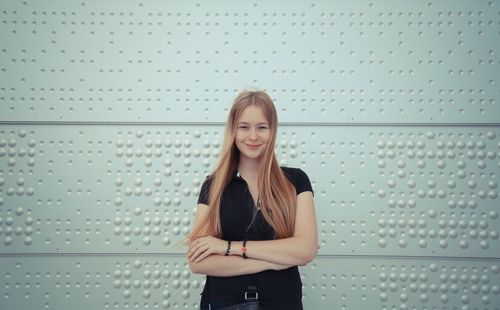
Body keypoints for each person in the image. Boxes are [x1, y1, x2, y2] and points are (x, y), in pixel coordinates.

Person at [187, 90, 318, 310]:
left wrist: (228, 248)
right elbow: (198, 261)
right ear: (233, 130)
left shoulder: (296, 181)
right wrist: (277, 260)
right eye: (244, 127)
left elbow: (305, 249)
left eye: (262, 127)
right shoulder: (214, 185)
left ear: (272, 130)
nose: (253, 136)